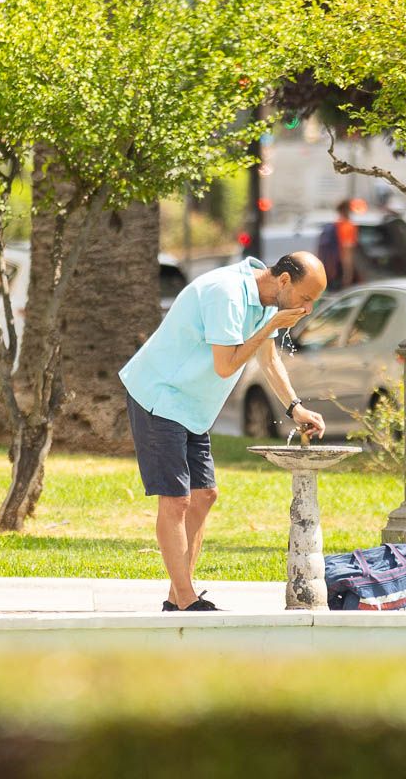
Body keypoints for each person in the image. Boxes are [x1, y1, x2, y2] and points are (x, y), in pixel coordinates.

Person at [119, 251, 328, 612]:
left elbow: (268, 358)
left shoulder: (265, 300)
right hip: (160, 395)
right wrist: (270, 327)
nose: (307, 309)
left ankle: (176, 595)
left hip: (191, 408)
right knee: (176, 499)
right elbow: (225, 365)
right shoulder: (227, 294)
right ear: (283, 281)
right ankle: (185, 600)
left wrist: (295, 407)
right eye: (305, 298)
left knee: (204, 495)